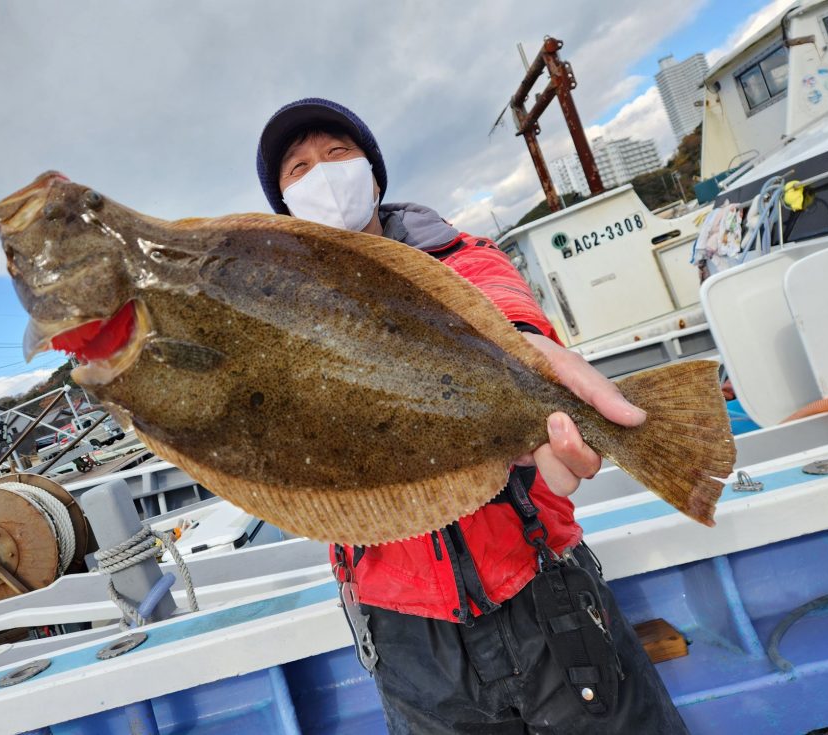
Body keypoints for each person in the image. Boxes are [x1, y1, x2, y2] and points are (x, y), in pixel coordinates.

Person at [256, 98, 689, 734]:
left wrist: (524, 352)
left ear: (373, 174)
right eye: (296, 168)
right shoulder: (278, 313)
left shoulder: (460, 258)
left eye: (337, 153)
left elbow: (504, 307)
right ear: (286, 208)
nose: (320, 171)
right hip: (403, 626)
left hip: (542, 587)